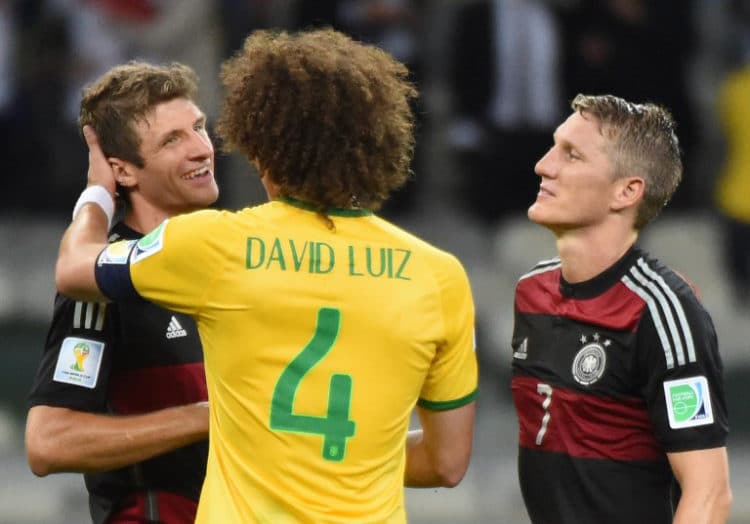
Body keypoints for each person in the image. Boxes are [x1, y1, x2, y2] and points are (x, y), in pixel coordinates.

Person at [54, 28, 478, 523]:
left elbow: (73, 266)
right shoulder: (438, 275)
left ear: (259, 146)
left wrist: (97, 192)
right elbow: (447, 462)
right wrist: (349, 458)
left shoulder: (217, 245)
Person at [510, 93, 732, 524]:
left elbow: (709, 494)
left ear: (626, 191)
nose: (544, 165)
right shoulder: (530, 291)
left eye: (571, 155)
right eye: (554, 146)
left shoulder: (662, 311)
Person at [26, 61, 219, 523]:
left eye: (198, 127)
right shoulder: (103, 283)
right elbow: (48, 442)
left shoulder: (227, 253)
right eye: (172, 140)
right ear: (123, 171)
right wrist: (205, 417)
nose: (201, 150)